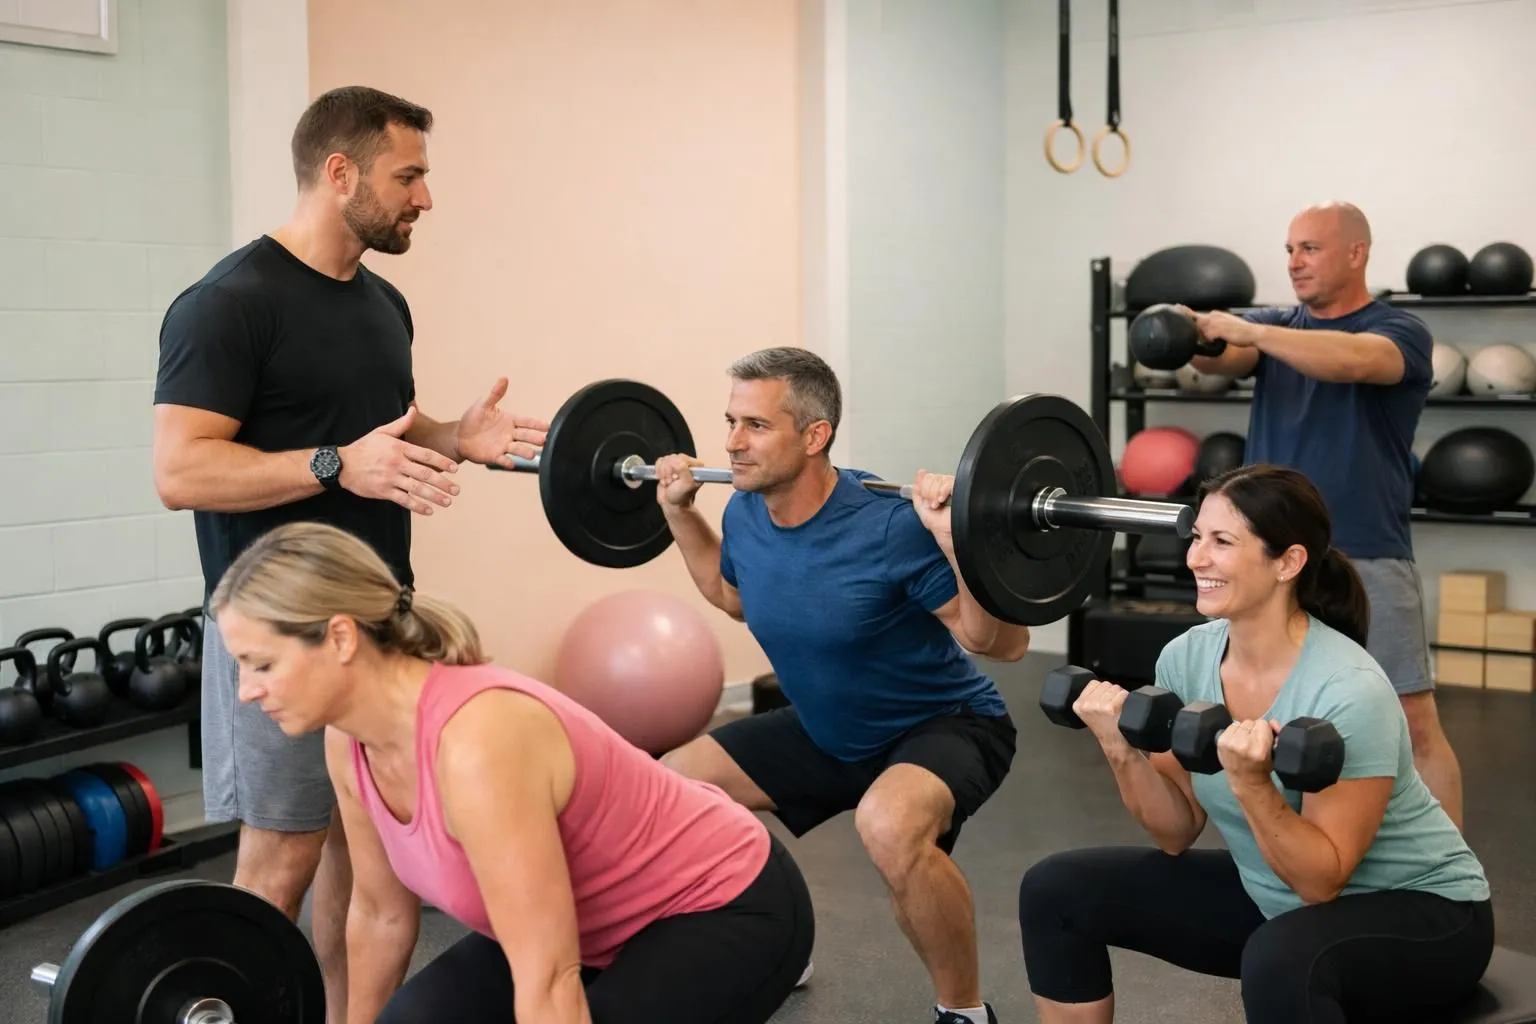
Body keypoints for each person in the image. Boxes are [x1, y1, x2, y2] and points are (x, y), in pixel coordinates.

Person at [152, 85, 549, 1021]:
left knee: (366, 857)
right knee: (281, 857)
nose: (424, 197)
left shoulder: (384, 304)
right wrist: (336, 464)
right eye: (408, 175)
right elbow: (182, 471)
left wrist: (455, 437)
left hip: (378, 625)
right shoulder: (226, 303)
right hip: (281, 631)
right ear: (340, 174)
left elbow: (376, 446)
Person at [208, 520, 815, 1024]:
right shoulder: (348, 739)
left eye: (260, 664)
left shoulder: (477, 741)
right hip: (590, 928)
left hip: (718, 904)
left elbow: (548, 980)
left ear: (340, 637)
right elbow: (380, 914)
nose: (246, 692)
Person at [1016, 463, 1493, 1024]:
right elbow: (1175, 831)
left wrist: (1251, 783)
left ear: (1288, 562)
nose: (1196, 559)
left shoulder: (1347, 690)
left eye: (1222, 542)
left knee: (1283, 960)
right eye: (1197, 538)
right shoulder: (1187, 658)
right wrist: (1120, 748)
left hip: (1423, 914)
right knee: (1057, 891)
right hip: (1275, 895)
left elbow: (1321, 881)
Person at [652, 346, 1031, 1024]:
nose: (732, 443)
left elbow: (1001, 643)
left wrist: (951, 539)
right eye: (730, 422)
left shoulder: (888, 525)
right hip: (828, 727)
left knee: (886, 826)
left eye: (756, 426)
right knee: (673, 790)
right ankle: (778, 938)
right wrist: (681, 513)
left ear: (815, 434)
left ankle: (964, 1011)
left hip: (944, 722)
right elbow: (733, 597)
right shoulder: (744, 511)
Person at [1181, 201, 1464, 829]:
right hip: (1271, 559)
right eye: (1288, 250)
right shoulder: (1276, 328)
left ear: (1356, 253)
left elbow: (1354, 361)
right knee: (1275, 713)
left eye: (1309, 248)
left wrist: (1251, 331)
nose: (1294, 262)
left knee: (1413, 720)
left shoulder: (1399, 330)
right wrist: (1189, 332)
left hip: (1366, 551)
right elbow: (1220, 359)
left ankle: (1451, 889)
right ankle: (1299, 851)